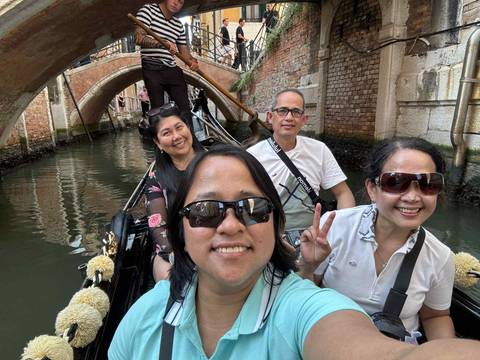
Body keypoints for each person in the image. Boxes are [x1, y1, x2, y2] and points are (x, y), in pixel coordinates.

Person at [109, 145, 480, 360]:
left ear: (274, 224)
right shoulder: (145, 315)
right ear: (181, 231)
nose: (230, 224)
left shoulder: (303, 309)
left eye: (253, 207)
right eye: (206, 211)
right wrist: (311, 264)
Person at [300, 137, 456, 342]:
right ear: (372, 189)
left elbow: (435, 316)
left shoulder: (441, 257)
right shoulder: (335, 226)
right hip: (329, 341)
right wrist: (308, 266)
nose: (412, 197)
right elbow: (304, 295)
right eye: (396, 182)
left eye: (427, 184)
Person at [248, 88, 355, 249]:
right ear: (270, 117)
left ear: (304, 119)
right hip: (270, 236)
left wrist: (343, 230)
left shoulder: (319, 150)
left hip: (312, 237)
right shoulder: (252, 156)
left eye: (296, 112)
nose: (289, 117)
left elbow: (343, 193)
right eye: (283, 111)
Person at [145, 102, 203, 281]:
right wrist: (180, 255)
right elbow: (158, 225)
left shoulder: (214, 163)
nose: (176, 136)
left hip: (216, 241)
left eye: (179, 127)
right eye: (166, 133)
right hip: (174, 249)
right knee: (173, 282)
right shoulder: (156, 177)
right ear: (158, 142)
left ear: (188, 128)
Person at [135, 0, 199, 120]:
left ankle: (189, 135)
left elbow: (185, 54)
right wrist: (162, 44)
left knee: (185, 110)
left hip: (171, 68)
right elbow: (139, 38)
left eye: (180, 2)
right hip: (151, 66)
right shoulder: (148, 10)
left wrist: (192, 62)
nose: (176, 3)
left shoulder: (178, 25)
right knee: (157, 113)